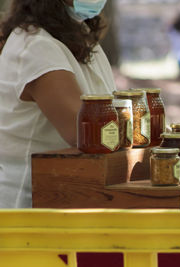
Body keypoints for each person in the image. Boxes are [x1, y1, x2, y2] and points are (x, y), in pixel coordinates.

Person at [0, 0, 115, 208]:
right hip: (27, 209)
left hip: (68, 198)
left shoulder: (81, 36)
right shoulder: (36, 46)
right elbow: (88, 133)